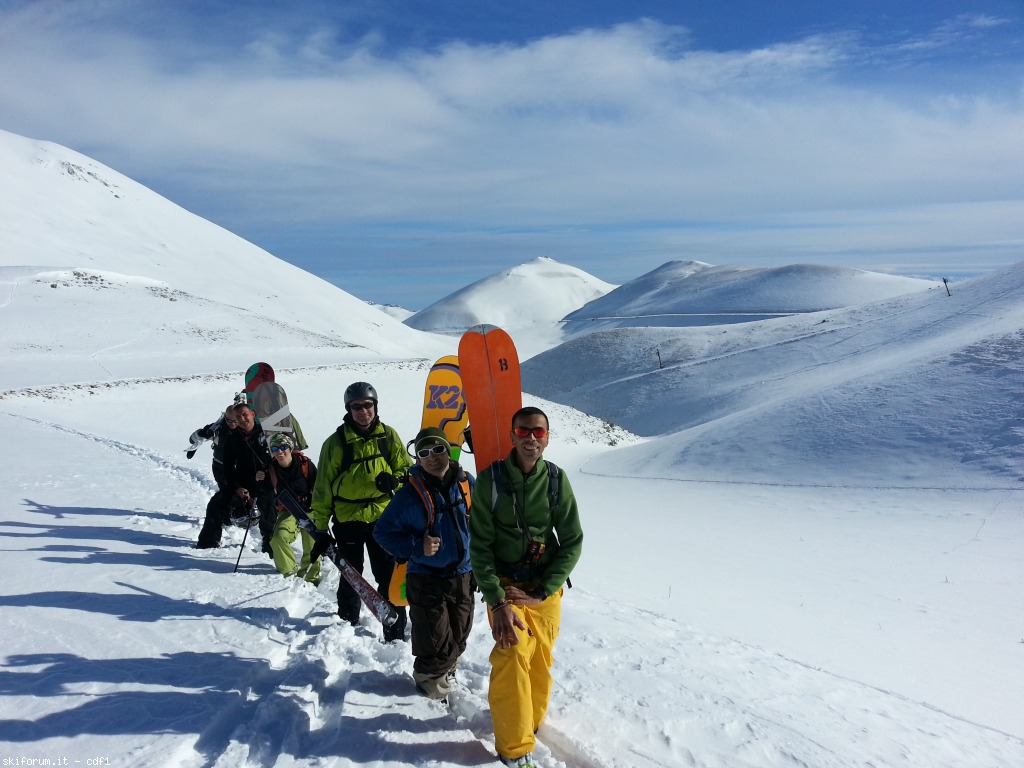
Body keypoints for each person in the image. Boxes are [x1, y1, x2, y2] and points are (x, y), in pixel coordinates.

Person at [469, 407, 583, 768]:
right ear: (513, 435)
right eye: (524, 431)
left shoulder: (555, 481)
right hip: (504, 588)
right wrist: (498, 601)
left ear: (547, 438)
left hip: (542, 589)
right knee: (513, 649)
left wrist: (544, 589)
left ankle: (528, 722)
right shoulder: (489, 481)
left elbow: (572, 541)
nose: (531, 438)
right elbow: (480, 547)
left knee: (540, 661)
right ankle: (514, 747)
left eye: (538, 432)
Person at [374, 427, 475, 702]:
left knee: (460, 635)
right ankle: (429, 695)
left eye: (438, 449)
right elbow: (383, 532)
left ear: (448, 451)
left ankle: (445, 674)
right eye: (424, 452)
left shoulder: (466, 483)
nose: (432, 457)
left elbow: (480, 521)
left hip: (463, 574)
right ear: (417, 458)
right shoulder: (408, 495)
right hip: (426, 577)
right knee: (434, 641)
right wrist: (416, 547)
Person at [310, 381, 413, 641]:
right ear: (348, 410)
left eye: (368, 405)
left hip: (383, 518)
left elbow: (408, 470)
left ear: (375, 406)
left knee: (388, 576)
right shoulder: (335, 444)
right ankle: (347, 624)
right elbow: (322, 488)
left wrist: (395, 480)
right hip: (348, 519)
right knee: (351, 575)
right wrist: (320, 529)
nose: (363, 411)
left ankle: (396, 630)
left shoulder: (388, 436)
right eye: (356, 406)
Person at [210, 401, 274, 554]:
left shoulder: (267, 434)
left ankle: (270, 546)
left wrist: (266, 472)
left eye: (245, 415)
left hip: (267, 482)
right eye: (238, 417)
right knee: (216, 504)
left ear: (253, 414)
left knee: (269, 514)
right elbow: (227, 467)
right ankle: (208, 542)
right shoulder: (233, 439)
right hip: (244, 483)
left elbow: (279, 458)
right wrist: (237, 487)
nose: (242, 419)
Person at [267, 433, 321, 584]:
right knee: (278, 538)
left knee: (312, 544)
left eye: (283, 447)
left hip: (309, 509)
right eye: (275, 448)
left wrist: (313, 501)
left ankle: (311, 577)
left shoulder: (305, 464)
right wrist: (259, 479)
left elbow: (318, 486)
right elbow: (265, 491)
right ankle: (289, 573)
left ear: (290, 448)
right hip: (288, 511)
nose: (279, 451)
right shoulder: (270, 468)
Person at [194, 404, 240, 549]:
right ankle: (225, 519)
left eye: (235, 421)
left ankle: (227, 517)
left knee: (227, 496)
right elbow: (193, 439)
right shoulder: (217, 427)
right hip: (220, 467)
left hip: (238, 470)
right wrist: (202, 433)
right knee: (225, 492)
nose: (232, 424)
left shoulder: (245, 429)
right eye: (229, 420)